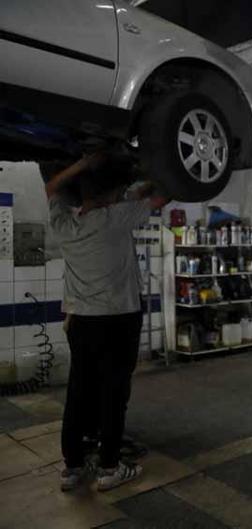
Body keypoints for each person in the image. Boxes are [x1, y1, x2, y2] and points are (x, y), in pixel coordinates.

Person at [45, 154, 169, 492]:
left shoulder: (66, 225)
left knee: (78, 393)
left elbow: (51, 188)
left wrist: (82, 163)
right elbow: (163, 195)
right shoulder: (117, 217)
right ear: (111, 195)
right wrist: (163, 171)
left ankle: (72, 468)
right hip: (118, 321)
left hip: (81, 323)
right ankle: (110, 468)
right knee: (114, 394)